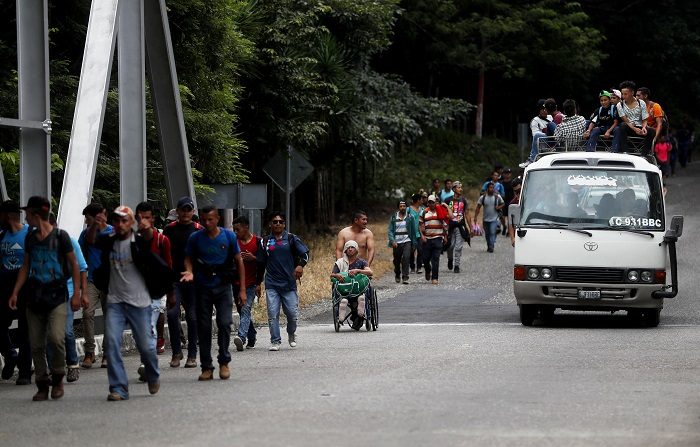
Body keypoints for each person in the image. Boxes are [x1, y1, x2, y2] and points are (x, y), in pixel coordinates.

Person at [8, 196, 81, 401]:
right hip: (34, 297)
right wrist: (15, 292)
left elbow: (74, 264)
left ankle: (57, 377)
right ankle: (42, 384)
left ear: (36, 214)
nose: (26, 217)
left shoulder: (61, 237)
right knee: (36, 344)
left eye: (28, 214)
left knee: (56, 338)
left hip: (57, 296)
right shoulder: (30, 238)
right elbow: (25, 266)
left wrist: (77, 293)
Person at [93, 205, 169, 400]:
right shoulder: (108, 242)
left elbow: (156, 259)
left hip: (140, 302)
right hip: (116, 302)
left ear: (131, 223)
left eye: (124, 220)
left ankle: (152, 375)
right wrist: (97, 226)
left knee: (146, 346)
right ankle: (118, 388)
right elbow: (93, 240)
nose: (120, 224)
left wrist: (174, 282)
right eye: (116, 220)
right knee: (111, 343)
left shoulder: (139, 243)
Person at [182, 205, 246, 380]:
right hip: (202, 287)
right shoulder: (195, 238)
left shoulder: (229, 236)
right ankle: (206, 366)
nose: (207, 223)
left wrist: (242, 290)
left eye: (211, 219)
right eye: (204, 220)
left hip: (223, 286)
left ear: (218, 218)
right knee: (204, 327)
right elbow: (188, 258)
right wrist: (189, 271)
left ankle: (224, 361)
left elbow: (239, 261)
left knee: (225, 323)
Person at [46, 212, 89, 384]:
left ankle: (72, 364)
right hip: (46, 293)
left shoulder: (69, 241)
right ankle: (54, 368)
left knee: (67, 331)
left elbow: (82, 268)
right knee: (50, 333)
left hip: (68, 291)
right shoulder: (37, 243)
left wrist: (81, 293)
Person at [257, 212, 310, 351]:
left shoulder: (292, 238)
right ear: (270, 224)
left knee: (292, 314)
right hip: (272, 283)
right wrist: (258, 283)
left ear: (284, 224)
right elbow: (261, 263)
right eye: (275, 222)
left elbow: (304, 254)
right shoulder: (264, 241)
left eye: (280, 222)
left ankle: (291, 333)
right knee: (272, 313)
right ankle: (275, 341)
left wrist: (300, 266)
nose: (278, 224)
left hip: (289, 284)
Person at [135, 202, 173, 381]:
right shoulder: (132, 241)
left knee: (149, 326)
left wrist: (170, 292)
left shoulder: (161, 240)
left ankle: (147, 364)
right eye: (140, 217)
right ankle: (148, 361)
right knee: (141, 330)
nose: (144, 221)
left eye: (147, 218)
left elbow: (168, 267)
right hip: (136, 293)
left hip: (156, 292)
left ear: (153, 219)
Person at [163, 196, 202, 368]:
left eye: (189, 210)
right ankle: (176, 352)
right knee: (172, 314)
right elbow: (164, 254)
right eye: (183, 209)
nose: (185, 213)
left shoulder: (199, 230)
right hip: (174, 279)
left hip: (194, 280)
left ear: (192, 212)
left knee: (193, 317)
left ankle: (192, 354)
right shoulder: (169, 230)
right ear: (177, 212)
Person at [0, 200, 32, 385]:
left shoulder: (29, 234)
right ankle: (10, 354)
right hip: (4, 289)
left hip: (26, 288)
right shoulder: (2, 235)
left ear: (8, 215)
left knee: (24, 330)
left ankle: (25, 372)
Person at [78, 202, 113, 369]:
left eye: (88, 218)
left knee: (110, 317)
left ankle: (107, 352)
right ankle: (90, 352)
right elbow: (79, 256)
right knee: (87, 313)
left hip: (111, 281)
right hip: (91, 280)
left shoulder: (113, 231)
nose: (86, 221)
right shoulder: (86, 234)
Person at [232, 215, 261, 351]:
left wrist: (253, 258)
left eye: (238, 229)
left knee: (245, 308)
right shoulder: (234, 242)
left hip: (251, 283)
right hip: (236, 282)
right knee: (241, 310)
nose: (236, 233)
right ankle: (252, 334)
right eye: (234, 230)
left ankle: (241, 337)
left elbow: (264, 263)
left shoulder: (258, 242)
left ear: (246, 227)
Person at [331, 240, 372, 328]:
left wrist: (358, 271)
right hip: (344, 290)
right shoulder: (340, 262)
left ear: (356, 250)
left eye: (352, 247)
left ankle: (360, 313)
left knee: (361, 297)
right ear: (345, 250)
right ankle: (341, 316)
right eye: (348, 248)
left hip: (359, 289)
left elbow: (370, 272)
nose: (350, 249)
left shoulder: (362, 262)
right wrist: (337, 276)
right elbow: (332, 275)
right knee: (344, 300)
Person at [419, 195, 451, 285]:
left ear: (435, 202)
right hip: (427, 238)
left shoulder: (440, 211)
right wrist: (422, 236)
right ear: (428, 203)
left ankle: (435, 277)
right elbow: (420, 224)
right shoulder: (424, 212)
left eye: (433, 202)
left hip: (438, 238)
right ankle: (428, 270)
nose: (431, 204)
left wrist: (445, 236)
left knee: (436, 258)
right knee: (425, 259)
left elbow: (445, 224)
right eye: (429, 202)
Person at [616, 80, 654, 154]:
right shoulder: (620, 105)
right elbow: (625, 120)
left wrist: (643, 128)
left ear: (632, 93)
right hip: (629, 127)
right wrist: (634, 129)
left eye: (625, 94)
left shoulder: (641, 103)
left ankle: (644, 154)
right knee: (622, 125)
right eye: (622, 94)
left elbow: (645, 119)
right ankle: (625, 151)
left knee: (652, 131)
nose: (623, 96)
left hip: (640, 127)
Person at [387, 200, 418, 284]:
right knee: (396, 260)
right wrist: (392, 240)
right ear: (398, 207)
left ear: (406, 207)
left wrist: (414, 244)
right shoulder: (394, 217)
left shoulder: (410, 217)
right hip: (396, 242)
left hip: (407, 241)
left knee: (406, 258)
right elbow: (390, 230)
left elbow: (413, 231)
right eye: (401, 206)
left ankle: (405, 276)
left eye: (404, 206)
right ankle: (397, 273)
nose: (402, 208)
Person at [445, 181, 473, 274]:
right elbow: (443, 214)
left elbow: (467, 214)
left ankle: (457, 265)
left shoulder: (463, 200)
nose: (461, 189)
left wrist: (471, 227)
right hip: (450, 227)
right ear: (453, 189)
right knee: (450, 245)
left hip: (460, 226)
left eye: (461, 187)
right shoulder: (447, 200)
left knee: (458, 247)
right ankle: (450, 259)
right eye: (458, 187)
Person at [520, 99, 554, 168]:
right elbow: (536, 138)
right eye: (542, 109)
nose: (545, 111)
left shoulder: (551, 117)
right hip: (544, 145)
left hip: (555, 141)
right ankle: (531, 159)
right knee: (537, 135)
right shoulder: (535, 121)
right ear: (539, 110)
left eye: (545, 109)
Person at [474, 183, 505, 253]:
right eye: (490, 188)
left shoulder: (497, 197)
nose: (492, 189)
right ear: (487, 189)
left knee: (492, 232)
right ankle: (489, 245)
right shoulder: (483, 197)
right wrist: (475, 217)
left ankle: (491, 246)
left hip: (494, 219)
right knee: (487, 234)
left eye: (493, 188)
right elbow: (478, 207)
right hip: (485, 219)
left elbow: (503, 203)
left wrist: (498, 207)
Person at [408, 193, 424, 274]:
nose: (422, 200)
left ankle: (419, 267)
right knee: (412, 250)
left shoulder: (422, 210)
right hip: (411, 234)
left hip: (420, 233)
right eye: (421, 199)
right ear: (418, 200)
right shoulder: (408, 209)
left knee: (420, 250)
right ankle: (412, 267)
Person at [500, 168, 515, 235]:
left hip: (511, 201)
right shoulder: (501, 183)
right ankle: (504, 226)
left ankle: (509, 231)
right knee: (502, 216)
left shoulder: (513, 182)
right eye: (505, 173)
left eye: (508, 173)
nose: (507, 175)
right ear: (503, 174)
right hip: (503, 201)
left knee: (509, 217)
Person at [508, 178, 522, 247]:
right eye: (515, 192)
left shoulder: (531, 201)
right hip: (518, 235)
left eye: (519, 191)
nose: (518, 194)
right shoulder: (512, 203)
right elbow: (510, 222)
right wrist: (512, 238)